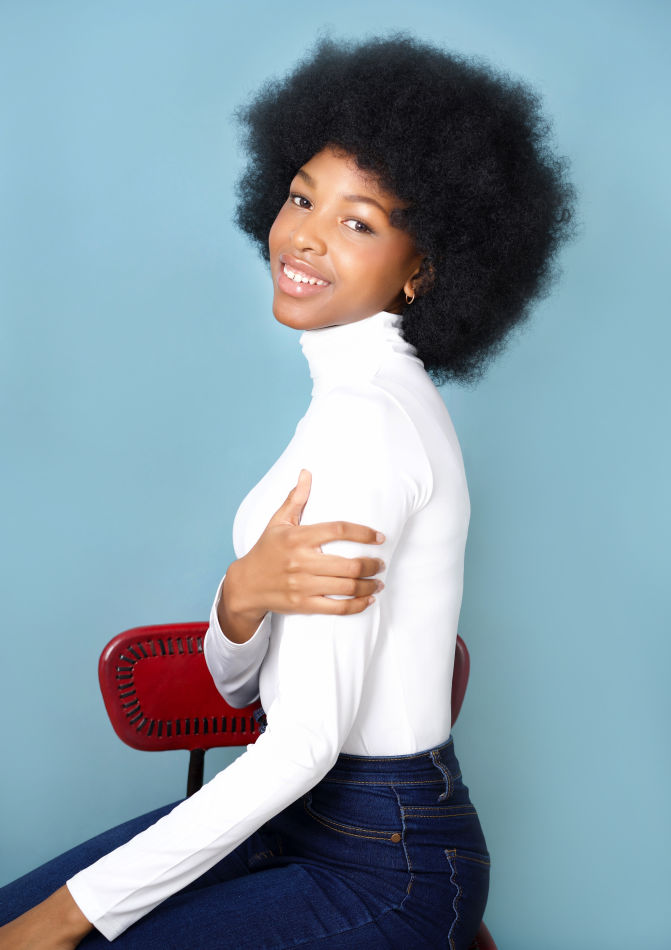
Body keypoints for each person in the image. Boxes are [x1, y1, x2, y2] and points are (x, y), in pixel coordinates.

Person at [0, 32, 576, 949]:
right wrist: (240, 597)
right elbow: (240, 693)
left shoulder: (367, 429)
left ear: (423, 268)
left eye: (359, 222)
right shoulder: (348, 403)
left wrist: (60, 921)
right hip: (300, 818)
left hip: (383, 864)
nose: (304, 235)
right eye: (302, 197)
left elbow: (303, 743)